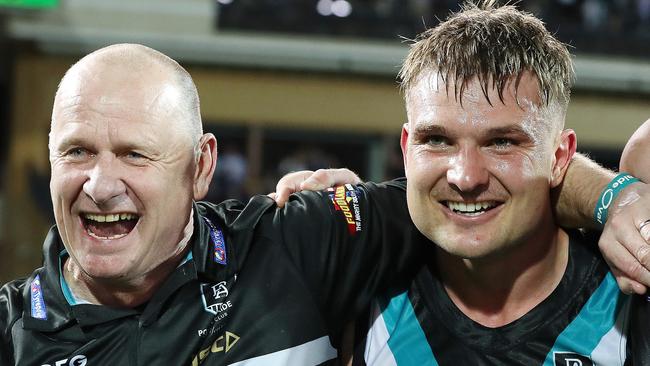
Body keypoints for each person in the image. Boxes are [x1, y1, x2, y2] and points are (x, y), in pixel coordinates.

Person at [0, 42, 648, 366]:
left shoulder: (301, 241)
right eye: (77, 152)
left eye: (135, 154)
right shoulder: (11, 335)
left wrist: (615, 199)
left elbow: (501, 187)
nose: (100, 184)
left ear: (200, 167)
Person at [301, 2, 649, 364]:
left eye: (502, 142)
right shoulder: (356, 288)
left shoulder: (628, 301)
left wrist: (617, 196)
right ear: (407, 149)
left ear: (560, 158)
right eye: (437, 140)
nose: (465, 177)